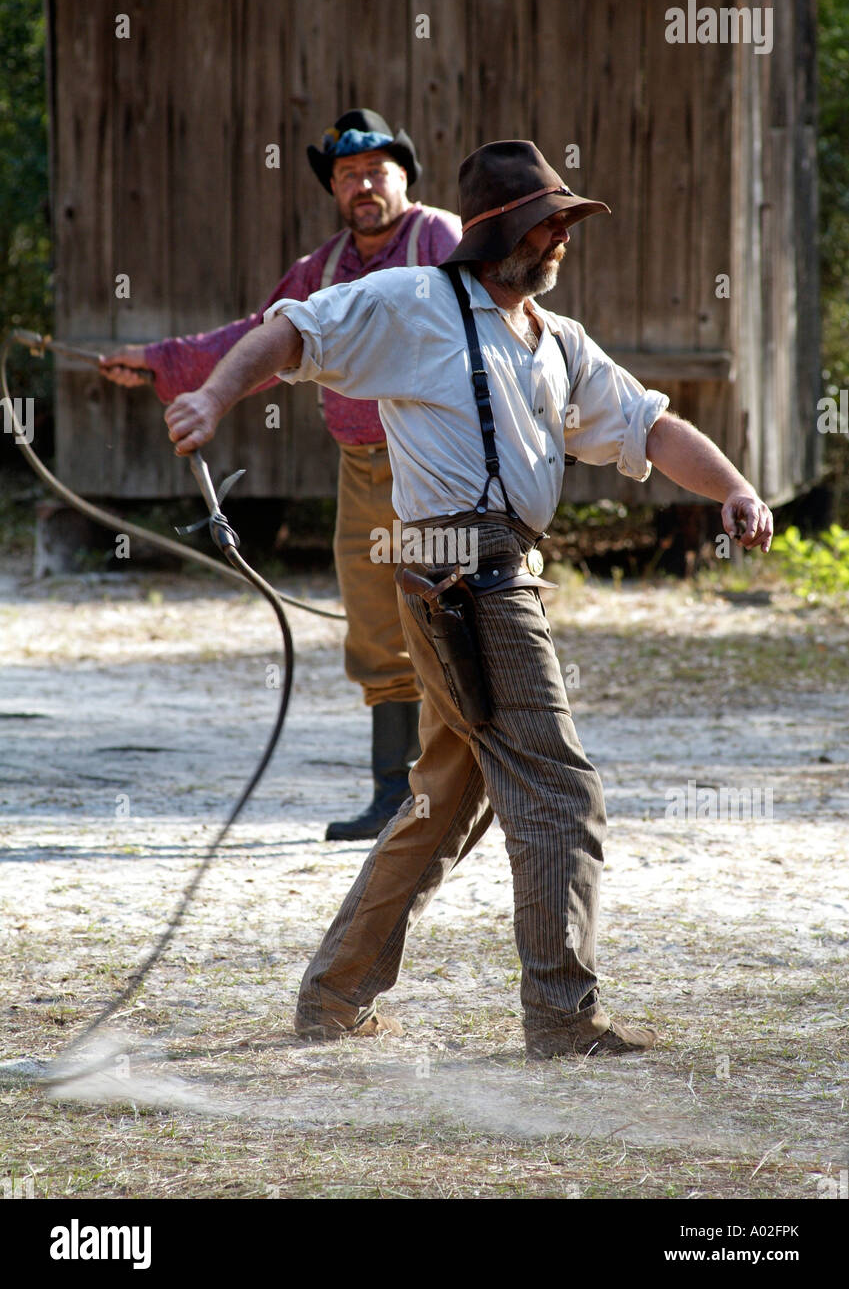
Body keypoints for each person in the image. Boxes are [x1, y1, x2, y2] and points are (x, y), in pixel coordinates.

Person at [161, 140, 773, 1059]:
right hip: (462, 572)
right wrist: (211, 396)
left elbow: (648, 422)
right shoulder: (414, 304)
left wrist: (732, 487)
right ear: (503, 233)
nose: (563, 238)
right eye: (550, 223)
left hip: (496, 567)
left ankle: (332, 1000)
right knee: (562, 791)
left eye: (565, 221)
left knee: (447, 800)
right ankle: (563, 1020)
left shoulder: (557, 339)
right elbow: (293, 329)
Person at [100, 109, 462, 842]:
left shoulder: (441, 240)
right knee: (373, 627)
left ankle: (467, 786)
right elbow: (255, 340)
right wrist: (161, 362)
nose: (362, 186)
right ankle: (396, 797)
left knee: (458, 617)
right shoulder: (319, 270)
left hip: (440, 463)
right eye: (346, 176)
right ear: (334, 189)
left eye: (375, 171)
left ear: (404, 176)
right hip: (362, 469)